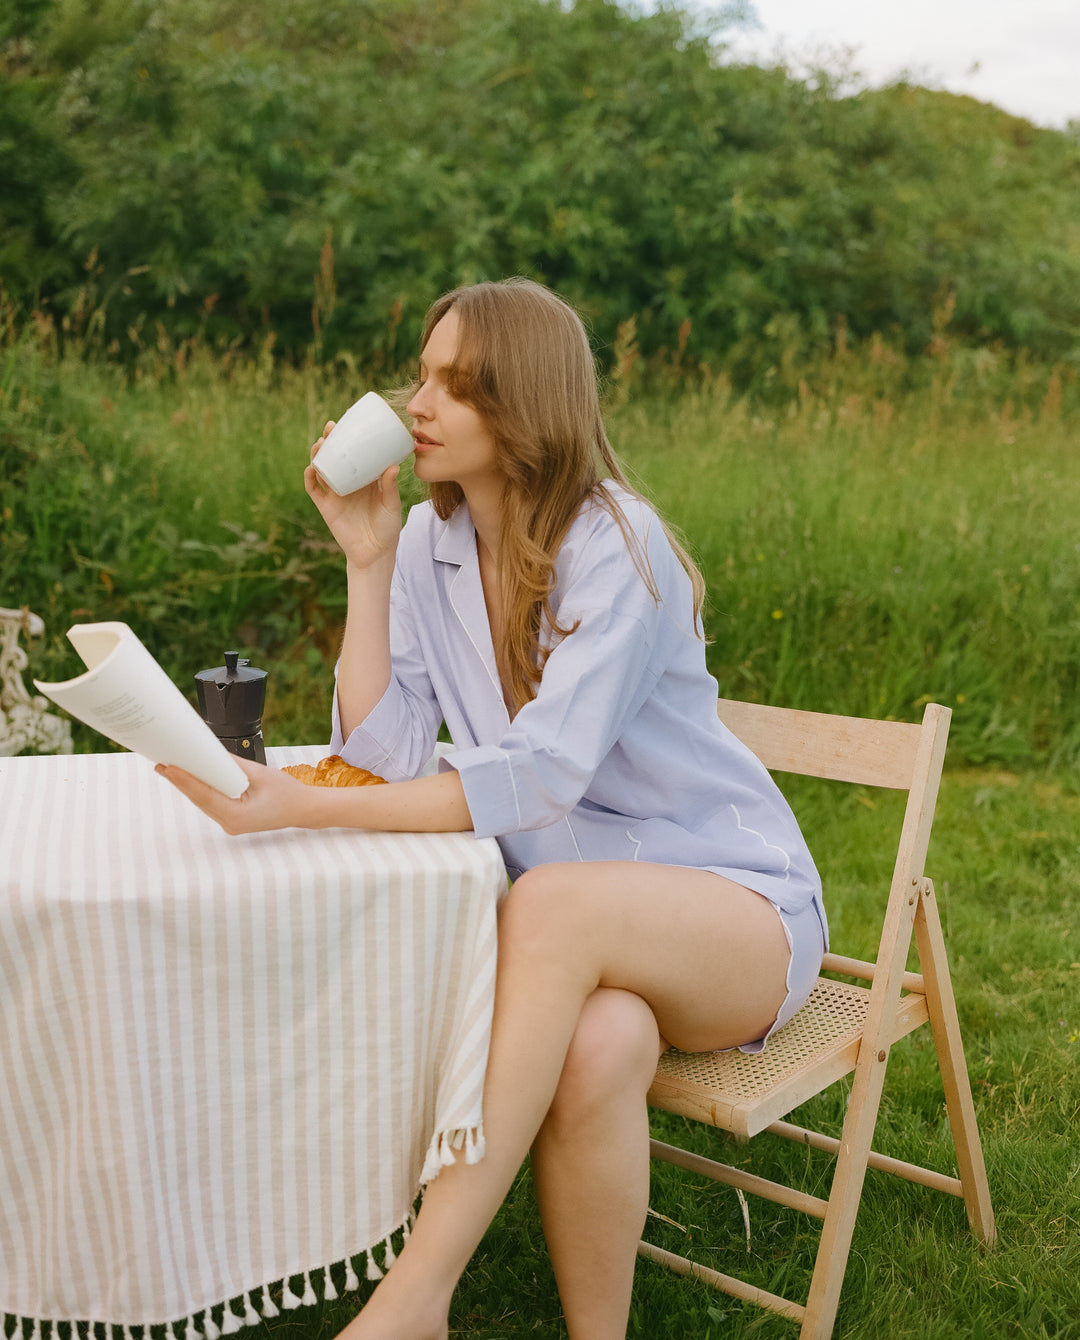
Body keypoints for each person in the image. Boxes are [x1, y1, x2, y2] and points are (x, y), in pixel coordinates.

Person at [158, 277, 827, 1340]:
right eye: (420, 373)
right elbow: (382, 752)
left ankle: (416, 1297)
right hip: (591, 937)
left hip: (734, 910)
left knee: (552, 903)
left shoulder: (620, 544)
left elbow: (539, 777)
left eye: (453, 384)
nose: (416, 402)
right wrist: (368, 563)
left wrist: (303, 808)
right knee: (601, 1042)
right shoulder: (431, 543)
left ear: (523, 405)